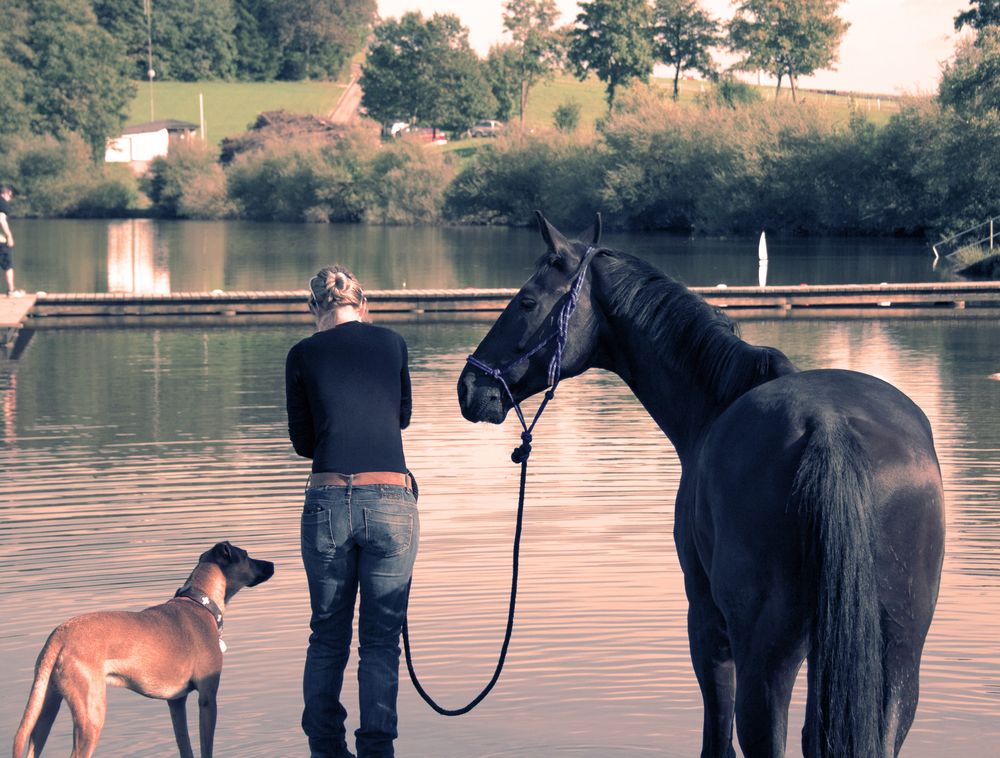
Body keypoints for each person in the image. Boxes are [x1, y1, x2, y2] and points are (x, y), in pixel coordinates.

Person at [286, 265, 418, 758]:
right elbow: (400, 417)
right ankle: (377, 749)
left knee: (327, 635)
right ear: (364, 306)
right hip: (390, 500)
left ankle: (324, 749)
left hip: (326, 504)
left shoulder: (301, 354)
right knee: (381, 641)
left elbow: (304, 444)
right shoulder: (392, 343)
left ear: (313, 310)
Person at [0, 185, 24, 297]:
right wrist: (9, 236)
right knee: (8, 265)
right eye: (11, 195)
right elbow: (1, 220)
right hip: (1, 241)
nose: (11, 198)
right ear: (8, 192)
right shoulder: (3, 203)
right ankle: (11, 291)